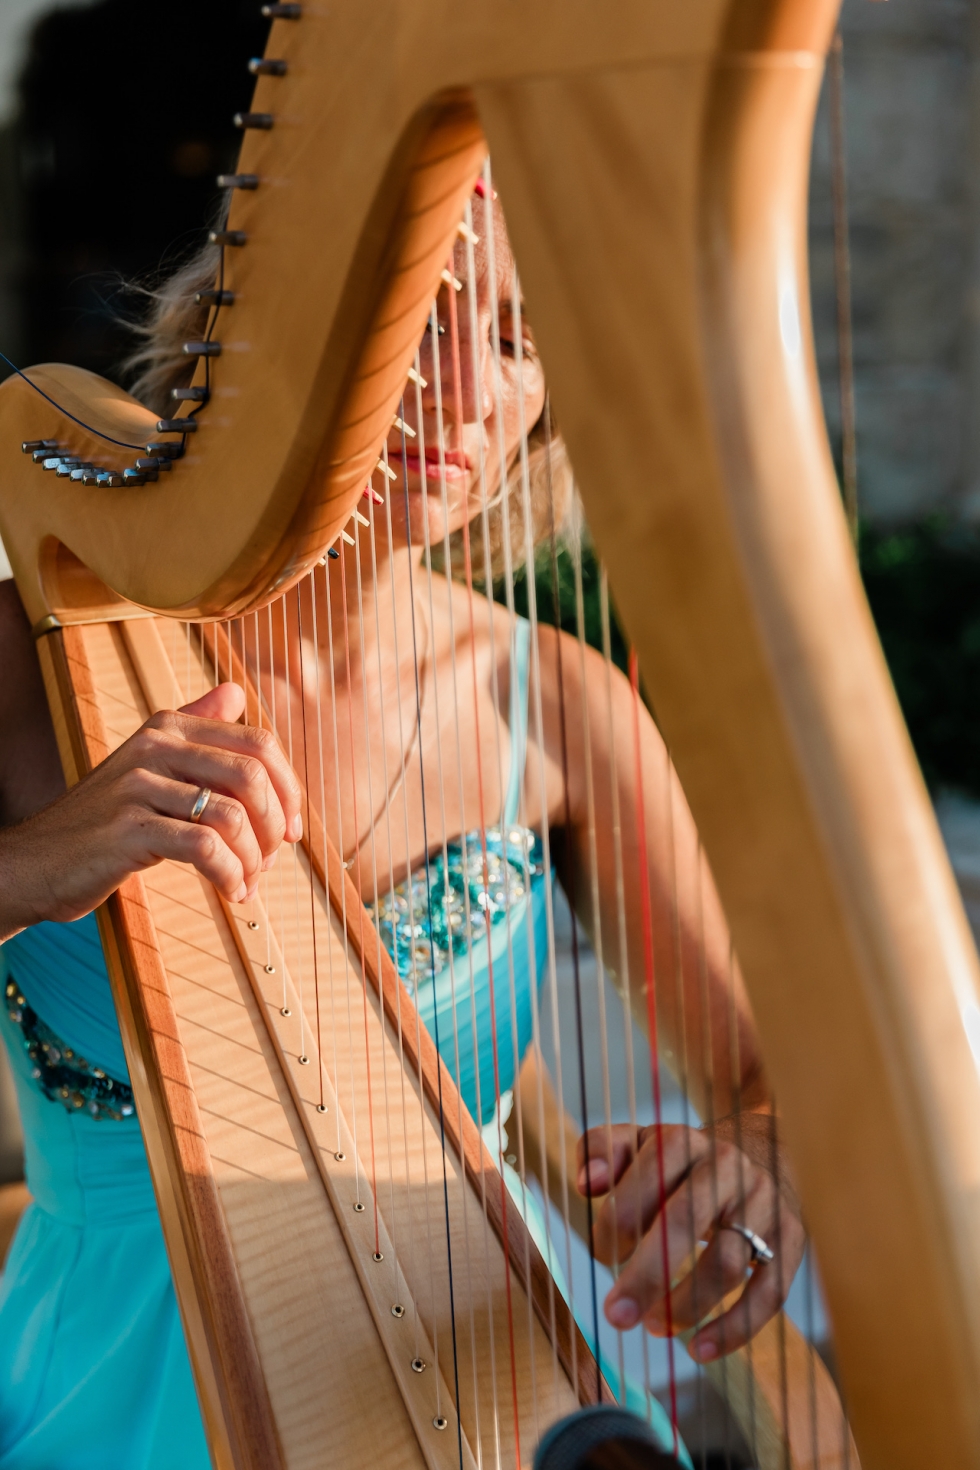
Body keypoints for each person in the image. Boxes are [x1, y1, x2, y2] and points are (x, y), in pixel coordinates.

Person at [0, 187, 804, 1464]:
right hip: (113, 1394)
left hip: (485, 1381)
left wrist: (749, 1173)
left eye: (517, 340)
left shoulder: (556, 706)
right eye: (424, 321)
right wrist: (31, 869)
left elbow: (770, 1084)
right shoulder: (25, 672)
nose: (469, 391)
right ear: (267, 338)